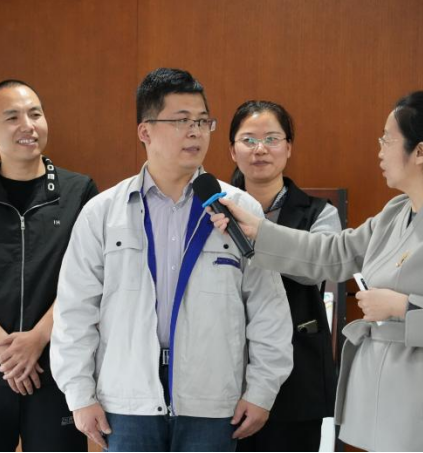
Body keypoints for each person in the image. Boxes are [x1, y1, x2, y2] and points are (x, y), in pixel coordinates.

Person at [210, 91, 423, 451]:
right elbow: (334, 253)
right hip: (387, 391)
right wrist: (259, 231)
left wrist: (401, 306)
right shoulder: (397, 211)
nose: (379, 150)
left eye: (387, 139)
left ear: (420, 152)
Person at [50, 68, 294, 452]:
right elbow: (75, 310)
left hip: (212, 401)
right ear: (145, 131)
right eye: (181, 121)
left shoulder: (238, 209)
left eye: (202, 121)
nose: (195, 132)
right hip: (126, 401)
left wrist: (262, 390)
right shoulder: (103, 212)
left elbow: (268, 309)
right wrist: (79, 394)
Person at [0, 80, 97, 452]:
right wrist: (7, 351)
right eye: (12, 117)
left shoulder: (79, 192)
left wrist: (37, 340)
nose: (28, 125)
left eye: (35, 114)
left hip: (56, 367)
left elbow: (90, 279)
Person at [228, 100, 341, 452]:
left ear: (289, 148)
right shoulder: (213, 208)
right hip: (225, 366)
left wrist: (259, 236)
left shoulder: (320, 213)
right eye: (248, 140)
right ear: (232, 150)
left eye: (272, 139)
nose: (260, 149)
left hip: (299, 374)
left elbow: (317, 269)